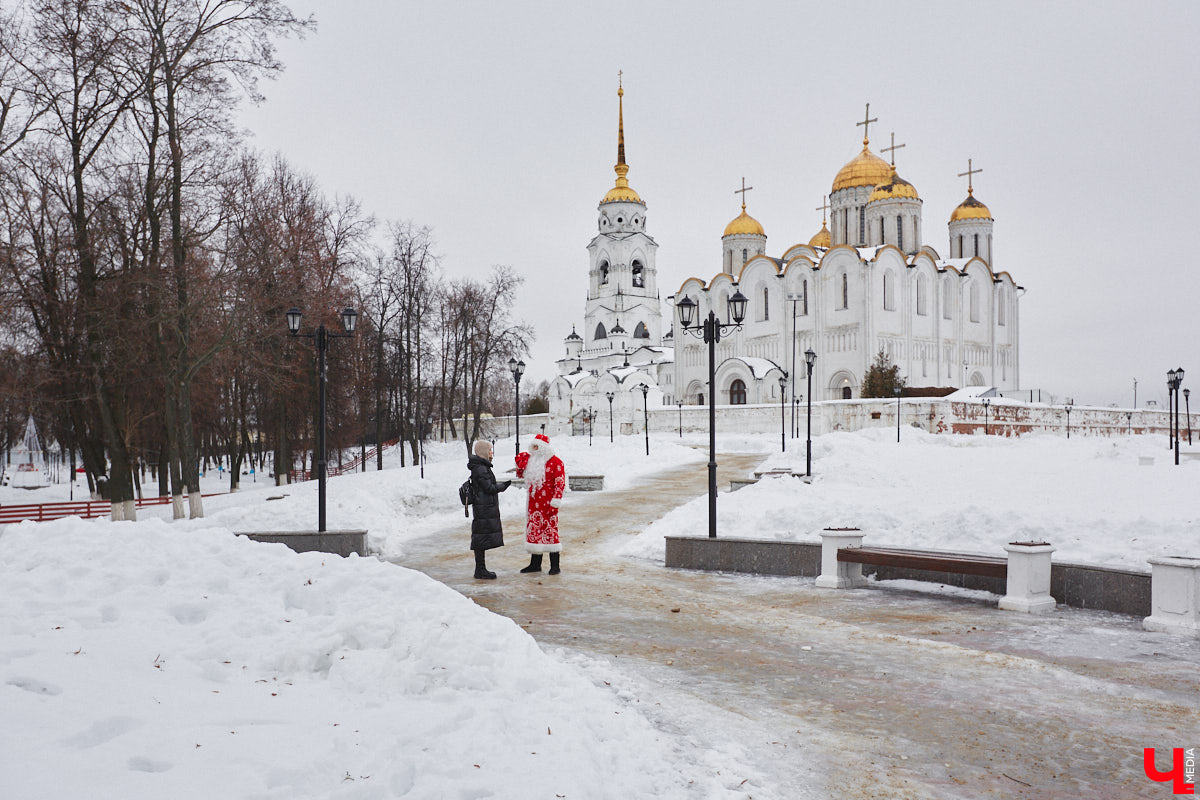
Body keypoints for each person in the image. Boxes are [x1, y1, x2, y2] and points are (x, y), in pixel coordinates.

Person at [514, 433, 566, 575]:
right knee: (535, 532)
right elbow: (521, 474)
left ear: (543, 447)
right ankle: (535, 564)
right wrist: (520, 463)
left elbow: (560, 483)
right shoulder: (533, 461)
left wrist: (555, 502)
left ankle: (555, 565)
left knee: (550, 531)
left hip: (548, 504)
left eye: (537, 446)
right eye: (533, 446)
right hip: (533, 504)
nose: (534, 449)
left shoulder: (556, 462)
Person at [467, 439, 511, 579]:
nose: (492, 452)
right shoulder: (481, 468)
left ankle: (481, 569)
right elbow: (489, 488)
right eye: (490, 450)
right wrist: (503, 486)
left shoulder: (481, 466)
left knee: (481, 537)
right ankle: (480, 570)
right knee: (480, 538)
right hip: (483, 507)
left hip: (483, 506)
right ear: (484, 452)